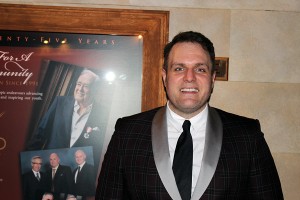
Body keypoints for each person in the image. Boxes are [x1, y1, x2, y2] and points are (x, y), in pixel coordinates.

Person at [95, 31, 283, 200]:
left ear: (212, 78)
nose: (190, 77)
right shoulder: (127, 133)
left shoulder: (247, 136)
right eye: (179, 68)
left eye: (200, 69)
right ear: (164, 77)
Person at [27, 69, 108, 171]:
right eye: (78, 84)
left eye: (86, 86)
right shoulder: (59, 102)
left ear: (95, 90)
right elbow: (40, 134)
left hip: (76, 174)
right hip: (48, 167)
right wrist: (31, 162)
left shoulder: (103, 113)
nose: (80, 89)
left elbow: (99, 150)